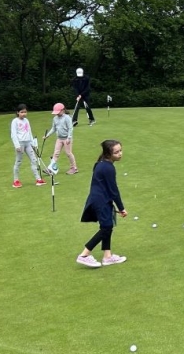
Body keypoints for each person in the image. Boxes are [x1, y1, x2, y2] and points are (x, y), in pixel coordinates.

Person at [77, 140, 127, 268]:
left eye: (120, 150)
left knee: (107, 226)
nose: (120, 154)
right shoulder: (108, 168)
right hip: (101, 201)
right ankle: (84, 255)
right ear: (108, 153)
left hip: (100, 200)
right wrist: (121, 208)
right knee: (105, 228)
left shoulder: (101, 164)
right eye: (116, 152)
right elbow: (113, 190)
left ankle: (107, 256)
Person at [10, 104, 44, 188]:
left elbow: (29, 132)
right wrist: (17, 145)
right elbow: (13, 134)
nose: (24, 114)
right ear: (18, 112)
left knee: (34, 160)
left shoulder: (26, 120)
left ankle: (38, 179)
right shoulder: (15, 121)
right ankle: (16, 181)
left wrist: (33, 143)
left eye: (25, 112)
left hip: (28, 143)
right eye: (22, 112)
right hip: (20, 144)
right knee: (18, 161)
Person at [48, 102, 78, 175]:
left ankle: (74, 168)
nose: (57, 114)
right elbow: (53, 128)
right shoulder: (55, 118)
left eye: (58, 112)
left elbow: (70, 128)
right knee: (56, 153)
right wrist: (47, 135)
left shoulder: (67, 118)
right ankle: (51, 169)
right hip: (59, 138)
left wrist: (69, 138)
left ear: (63, 110)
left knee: (68, 153)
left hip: (67, 139)